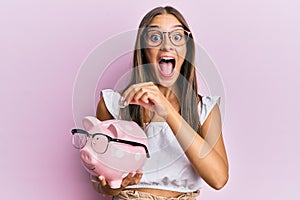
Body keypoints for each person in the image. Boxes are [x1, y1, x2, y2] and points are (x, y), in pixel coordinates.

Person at [93, 6, 229, 199]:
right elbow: (102, 186)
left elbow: (218, 179)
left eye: (177, 36)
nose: (167, 46)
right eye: (155, 37)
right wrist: (116, 185)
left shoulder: (204, 110)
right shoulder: (113, 105)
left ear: (187, 48)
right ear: (143, 49)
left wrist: (167, 111)